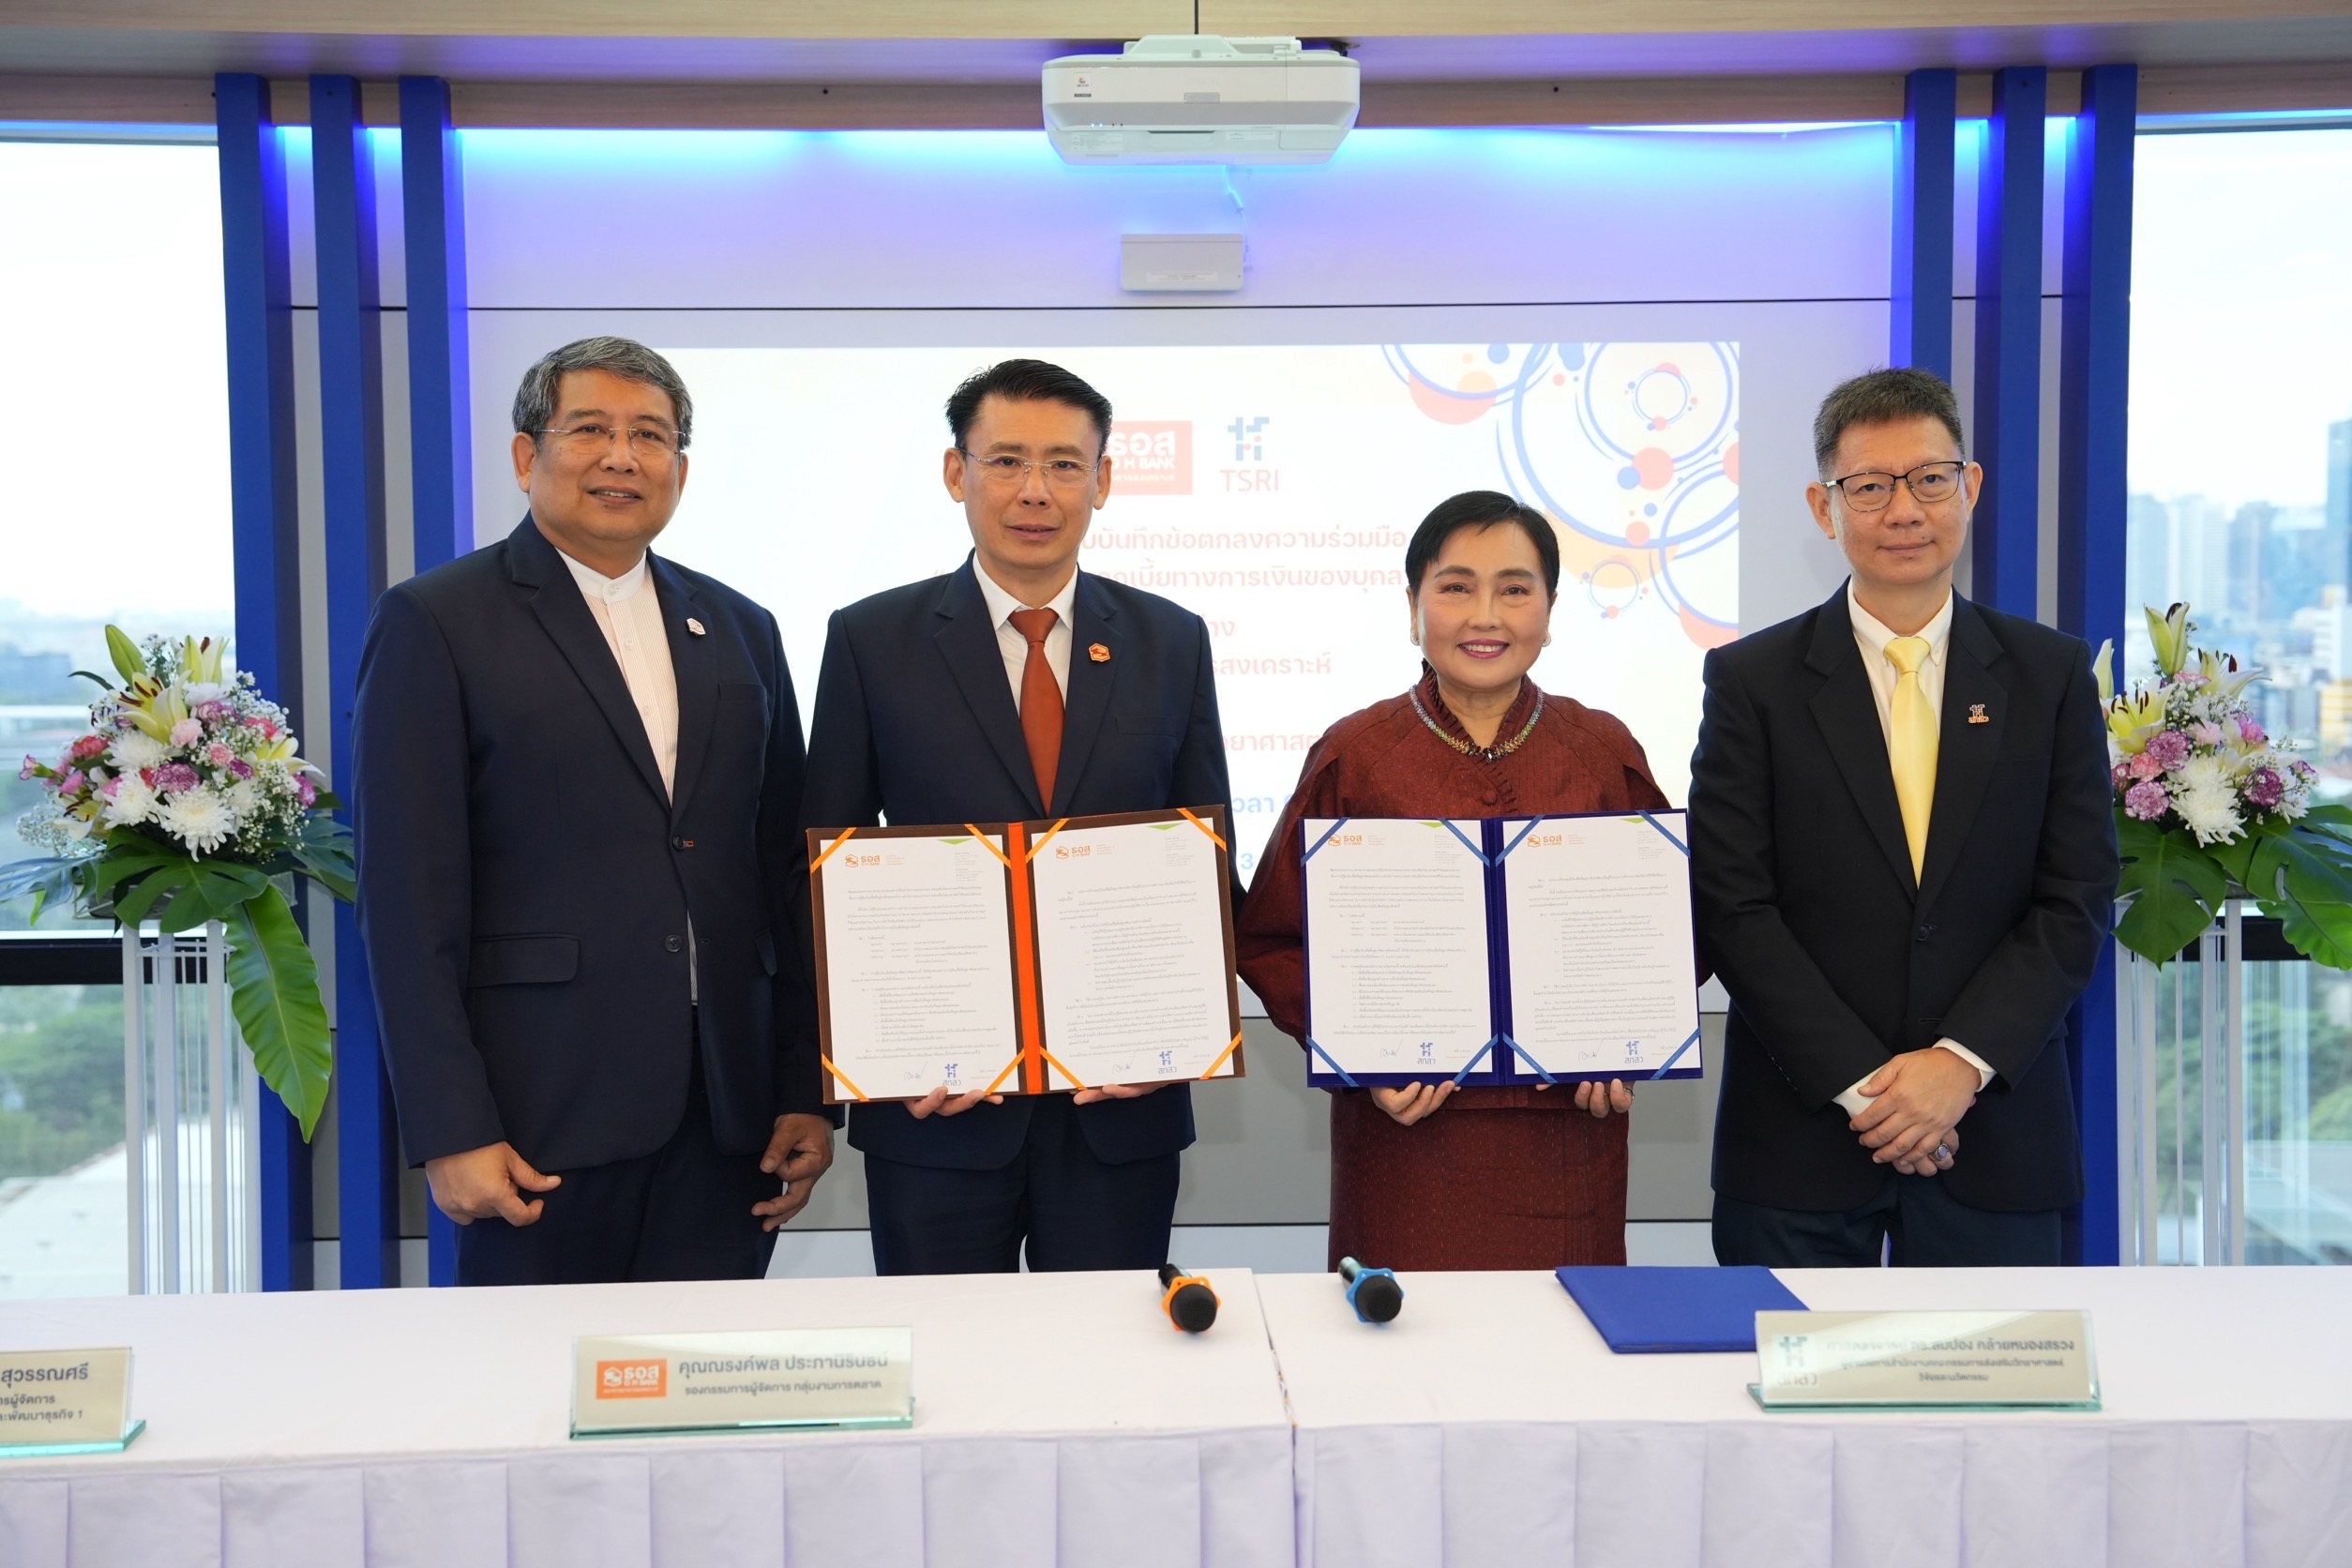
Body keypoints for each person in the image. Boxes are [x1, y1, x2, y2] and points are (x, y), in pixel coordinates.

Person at [354, 336, 835, 1285]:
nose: (623, 457)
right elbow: (406, 901)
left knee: (710, 1373)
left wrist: (803, 1090)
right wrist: (452, 1126)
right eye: (590, 430)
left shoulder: (742, 627)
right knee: (531, 1375)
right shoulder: (437, 620)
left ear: (680, 469)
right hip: (536, 1123)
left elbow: (783, 873)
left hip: (728, 1122)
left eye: (650, 435)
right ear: (525, 455)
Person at [799, 358, 1235, 1275]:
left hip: (1121, 1104)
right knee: (947, 1353)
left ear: (1102, 481)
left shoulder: (1171, 640)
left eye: (1064, 464)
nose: (1035, 490)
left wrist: (1178, 1035)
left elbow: (1206, 864)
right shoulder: (871, 640)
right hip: (934, 1108)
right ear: (955, 472)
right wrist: (885, 1052)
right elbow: (822, 870)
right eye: (1006, 461)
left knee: (1113, 1353)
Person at [1690, 365, 2118, 1268]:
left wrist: (1958, 1065)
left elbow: (2074, 896)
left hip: (1994, 1135)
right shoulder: (1752, 682)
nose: (1904, 510)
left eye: (1929, 479)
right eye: (1870, 487)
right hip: (1800, 1140)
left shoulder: (2048, 676)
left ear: (1970, 486)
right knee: (1782, 1367)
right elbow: (1733, 905)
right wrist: (1869, 1091)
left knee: (1998, 1369)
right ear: (1823, 507)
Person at [1237, 491, 1654, 1271]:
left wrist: (1627, 1040)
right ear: (1413, 607)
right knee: (1400, 1336)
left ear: (1550, 611)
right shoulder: (1356, 754)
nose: (1485, 616)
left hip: (1568, 1136)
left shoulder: (1602, 751)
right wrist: (1364, 1057)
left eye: (1515, 589)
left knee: (1565, 1335)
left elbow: (1670, 927)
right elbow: (1271, 938)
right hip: (1405, 1138)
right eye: (1456, 587)